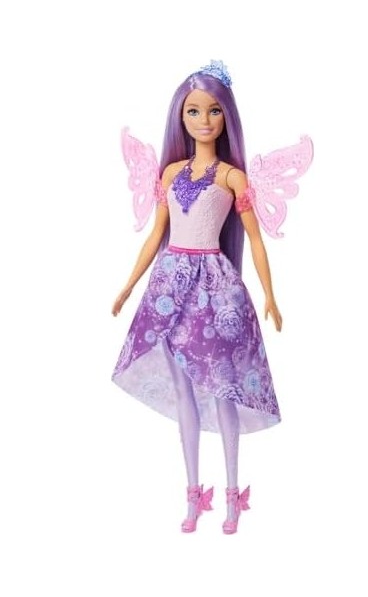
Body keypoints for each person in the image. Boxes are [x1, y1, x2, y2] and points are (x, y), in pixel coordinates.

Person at [111, 60, 298, 534]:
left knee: (223, 391)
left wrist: (270, 295)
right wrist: (129, 284)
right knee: (183, 391)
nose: (204, 120)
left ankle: (233, 496)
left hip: (214, 290)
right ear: (181, 116)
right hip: (169, 288)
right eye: (193, 111)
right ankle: (193, 496)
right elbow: (156, 235)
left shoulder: (232, 177)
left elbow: (255, 239)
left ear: (226, 116)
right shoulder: (170, 173)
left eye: (214, 111)